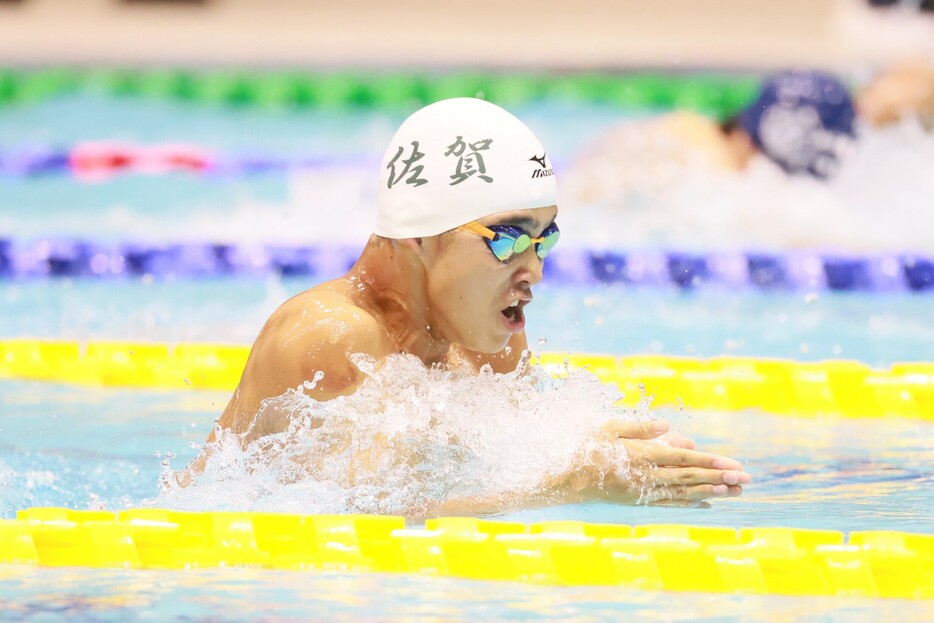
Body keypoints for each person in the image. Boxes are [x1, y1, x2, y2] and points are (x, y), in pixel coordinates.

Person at [187, 97, 750, 512]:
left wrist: (613, 453)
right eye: (507, 238)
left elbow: (510, 453)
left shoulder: (484, 335)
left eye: (544, 239)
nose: (535, 271)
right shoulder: (333, 337)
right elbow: (365, 517)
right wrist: (576, 482)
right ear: (419, 236)